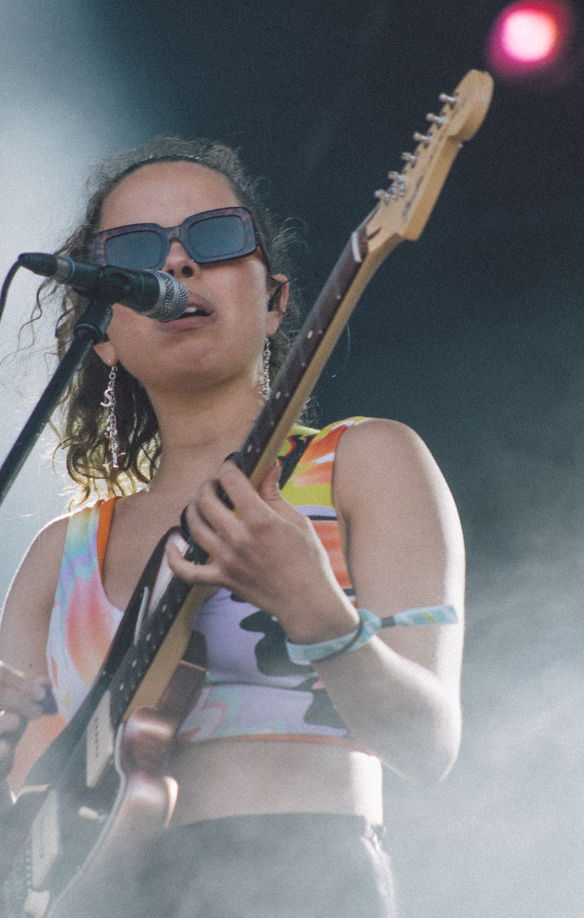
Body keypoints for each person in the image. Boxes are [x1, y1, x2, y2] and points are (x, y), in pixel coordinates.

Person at [0, 138, 465, 918]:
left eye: (213, 238)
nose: (177, 266)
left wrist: (315, 607)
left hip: (305, 883)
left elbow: (429, 746)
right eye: (137, 251)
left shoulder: (365, 462)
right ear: (104, 332)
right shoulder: (58, 556)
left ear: (277, 299)